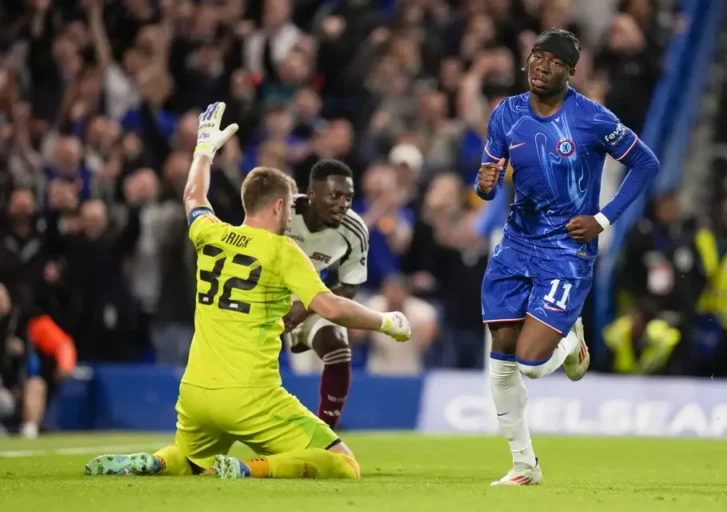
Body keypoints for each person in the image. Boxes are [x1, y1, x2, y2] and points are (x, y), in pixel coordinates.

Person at [84, 102, 411, 479]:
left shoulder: (211, 233)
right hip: (250, 395)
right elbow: (330, 307)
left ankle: (156, 462)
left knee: (191, 461)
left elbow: (193, 196)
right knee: (344, 464)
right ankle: (246, 469)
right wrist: (386, 321)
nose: (291, 217)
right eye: (289, 208)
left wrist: (203, 149)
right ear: (278, 206)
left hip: (196, 393)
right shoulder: (282, 250)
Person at [475, 28, 659, 486]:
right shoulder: (506, 113)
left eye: (554, 61)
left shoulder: (592, 118)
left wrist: (603, 218)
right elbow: (489, 182)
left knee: (531, 363)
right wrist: (483, 185)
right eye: (537, 56)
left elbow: (646, 163)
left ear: (571, 71)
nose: (542, 65)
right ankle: (524, 465)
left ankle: (572, 341)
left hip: (566, 250)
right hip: (516, 245)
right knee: (502, 358)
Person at [282, 158, 368, 430]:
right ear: (311, 194)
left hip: (310, 298)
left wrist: (306, 307)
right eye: (335, 195)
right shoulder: (281, 211)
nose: (343, 203)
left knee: (338, 350)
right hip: (262, 294)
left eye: (348, 197)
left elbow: (350, 286)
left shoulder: (354, 230)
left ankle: (325, 435)